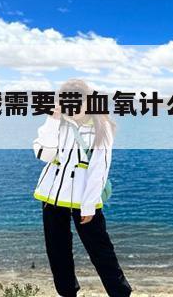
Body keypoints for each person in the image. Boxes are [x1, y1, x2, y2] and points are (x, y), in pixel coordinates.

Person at [32, 79, 131, 297]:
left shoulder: (102, 126)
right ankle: (68, 294)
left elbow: (99, 169)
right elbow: (43, 155)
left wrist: (88, 206)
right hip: (51, 197)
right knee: (58, 252)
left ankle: (121, 294)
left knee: (101, 251)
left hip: (85, 199)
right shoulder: (57, 122)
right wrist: (52, 120)